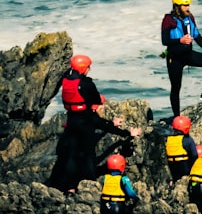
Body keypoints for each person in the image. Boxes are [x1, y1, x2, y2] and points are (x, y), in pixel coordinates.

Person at [47, 54, 142, 195]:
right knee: (88, 158)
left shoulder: (66, 79)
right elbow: (98, 113)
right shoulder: (86, 84)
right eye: (88, 67)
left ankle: (69, 188)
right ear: (83, 68)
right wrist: (127, 133)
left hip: (71, 124)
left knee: (70, 157)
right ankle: (90, 187)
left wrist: (108, 120)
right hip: (85, 127)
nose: (89, 69)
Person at [160, 0, 202, 117]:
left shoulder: (190, 17)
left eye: (188, 5)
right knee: (176, 88)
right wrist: (180, 40)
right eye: (185, 5)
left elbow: (197, 36)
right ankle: (177, 118)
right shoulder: (168, 20)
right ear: (177, 6)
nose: (188, 8)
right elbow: (165, 41)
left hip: (188, 55)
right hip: (174, 58)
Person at [165, 115, 199, 185]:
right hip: (185, 169)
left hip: (173, 169)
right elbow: (195, 155)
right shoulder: (188, 140)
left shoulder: (168, 139)